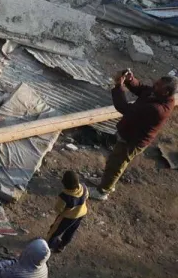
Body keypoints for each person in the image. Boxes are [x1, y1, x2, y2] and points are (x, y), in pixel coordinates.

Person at [93, 71, 175, 199]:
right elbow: (142, 89)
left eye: (158, 85)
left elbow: (124, 108)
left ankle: (102, 191)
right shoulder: (158, 95)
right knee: (115, 160)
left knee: (116, 164)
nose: (154, 85)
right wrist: (131, 80)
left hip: (132, 140)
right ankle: (106, 183)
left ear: (165, 92)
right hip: (130, 133)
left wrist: (118, 86)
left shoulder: (156, 109)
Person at [46, 170, 88, 254]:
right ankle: (62, 246)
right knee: (71, 231)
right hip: (81, 213)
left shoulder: (65, 196)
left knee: (55, 232)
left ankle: (48, 246)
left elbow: (59, 209)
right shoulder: (83, 187)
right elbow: (86, 196)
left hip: (68, 217)